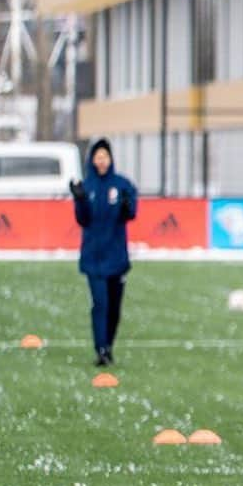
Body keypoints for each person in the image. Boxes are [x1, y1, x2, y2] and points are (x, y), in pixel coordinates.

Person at [70, 138, 138, 366]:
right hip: (93, 257)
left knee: (115, 308)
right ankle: (101, 349)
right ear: (92, 159)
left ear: (110, 159)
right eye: (98, 156)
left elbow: (130, 215)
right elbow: (83, 220)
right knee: (100, 304)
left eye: (105, 156)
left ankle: (108, 345)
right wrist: (79, 200)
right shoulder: (86, 186)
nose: (102, 161)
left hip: (116, 256)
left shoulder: (122, 185)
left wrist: (128, 205)